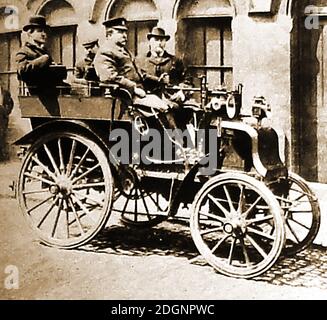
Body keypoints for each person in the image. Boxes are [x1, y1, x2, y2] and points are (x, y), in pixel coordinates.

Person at [94, 17, 146, 99]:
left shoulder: (125, 51)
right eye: (120, 32)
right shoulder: (105, 51)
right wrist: (134, 88)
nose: (125, 36)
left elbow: (139, 73)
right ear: (109, 34)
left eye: (125, 32)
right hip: (123, 96)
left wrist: (158, 80)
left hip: (137, 93)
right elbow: (110, 77)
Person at [16, 15, 69, 96]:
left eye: (45, 31)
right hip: (40, 95)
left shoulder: (43, 51)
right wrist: (43, 59)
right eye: (40, 31)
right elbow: (22, 72)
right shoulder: (24, 51)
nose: (44, 34)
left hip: (53, 92)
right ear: (30, 33)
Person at [136, 26, 185, 97]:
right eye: (156, 40)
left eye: (162, 40)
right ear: (150, 42)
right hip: (147, 99)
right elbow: (137, 81)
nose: (159, 43)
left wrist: (181, 92)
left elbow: (185, 80)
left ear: (165, 42)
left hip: (170, 99)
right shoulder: (140, 61)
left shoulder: (175, 61)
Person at [0, 84, 14, 160]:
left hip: (2, 118)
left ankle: (2, 155)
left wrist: (7, 112)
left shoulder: (5, 93)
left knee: (2, 135)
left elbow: (10, 103)